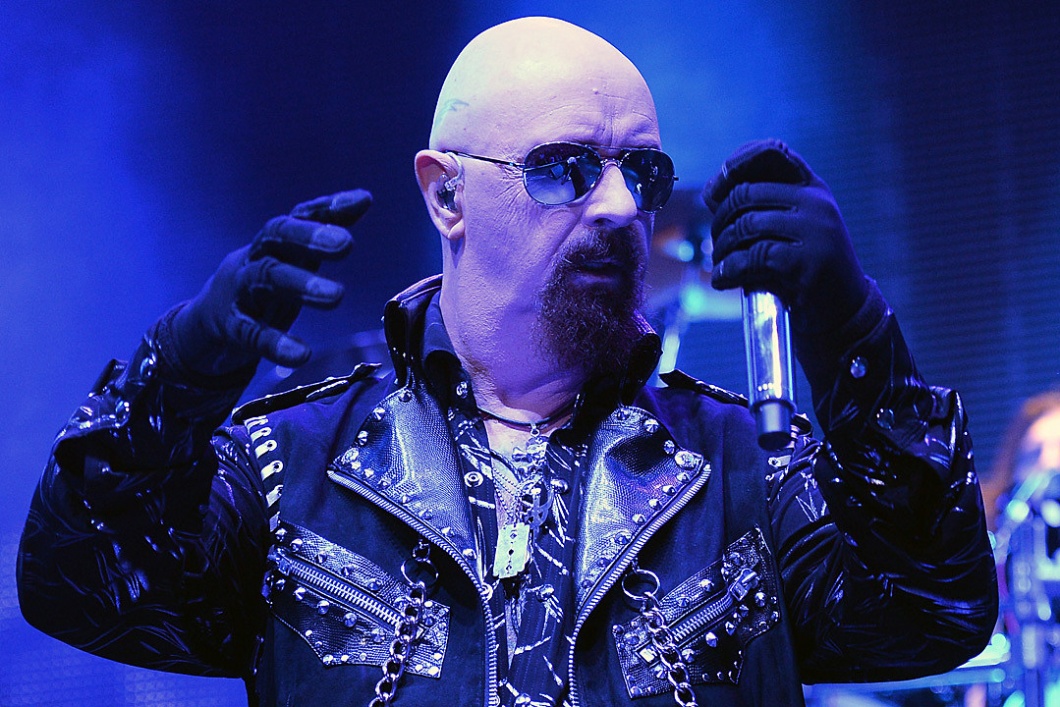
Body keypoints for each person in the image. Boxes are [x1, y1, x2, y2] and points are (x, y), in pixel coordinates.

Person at [18, 16, 997, 707]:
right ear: (447, 195)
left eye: (641, 171)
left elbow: (931, 614)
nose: (618, 207)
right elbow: (77, 582)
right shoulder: (296, 466)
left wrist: (855, 333)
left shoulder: (739, 465)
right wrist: (179, 374)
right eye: (564, 168)